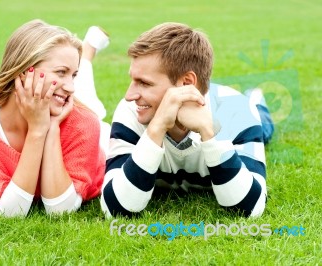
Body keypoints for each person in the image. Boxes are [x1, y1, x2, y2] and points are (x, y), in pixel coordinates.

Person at [100, 22, 274, 218]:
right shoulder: (131, 111)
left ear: (187, 83)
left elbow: (249, 209)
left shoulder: (238, 110)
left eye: (144, 83)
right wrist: (157, 128)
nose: (129, 95)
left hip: (236, 106)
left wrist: (209, 134)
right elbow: (115, 209)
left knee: (265, 128)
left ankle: (257, 99)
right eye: (133, 80)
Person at [0, 19, 110, 217]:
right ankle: (87, 51)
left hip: (105, 140)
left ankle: (87, 52)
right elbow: (8, 213)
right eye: (61, 72)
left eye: (73, 75)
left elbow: (61, 210)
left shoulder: (84, 122)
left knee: (91, 105)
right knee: (79, 93)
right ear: (24, 71)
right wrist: (37, 130)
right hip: (59, 103)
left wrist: (51, 127)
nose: (71, 86)